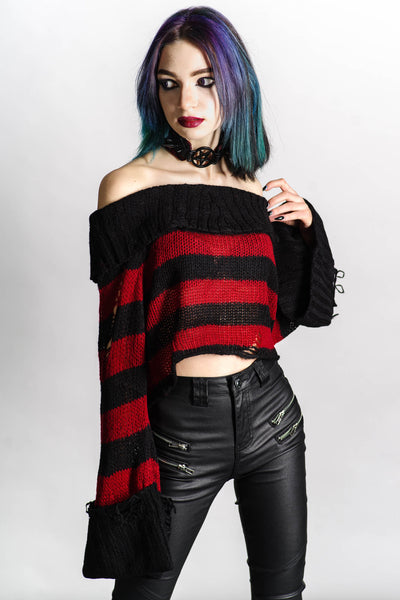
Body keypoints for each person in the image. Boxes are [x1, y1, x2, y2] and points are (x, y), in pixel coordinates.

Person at [82, 6, 343, 600]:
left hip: (272, 416)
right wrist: (130, 449)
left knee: (282, 593)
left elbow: (287, 312)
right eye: (169, 84)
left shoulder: (250, 184)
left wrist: (306, 230)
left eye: (205, 80)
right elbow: (119, 339)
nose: (187, 101)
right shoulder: (127, 187)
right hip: (181, 431)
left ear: (234, 85)